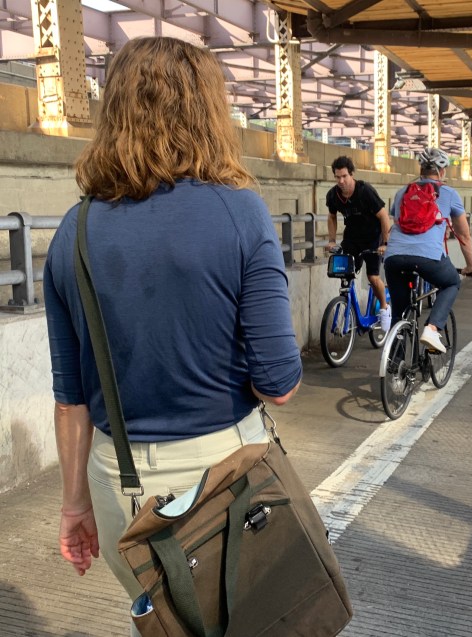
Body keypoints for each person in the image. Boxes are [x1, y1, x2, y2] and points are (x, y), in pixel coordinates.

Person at [43, 37, 302, 634]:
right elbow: (280, 385)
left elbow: (69, 399)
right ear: (209, 110)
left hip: (119, 488)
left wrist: (75, 503)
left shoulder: (73, 231)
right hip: (226, 478)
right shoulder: (241, 212)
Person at [383, 147, 472, 353]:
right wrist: (471, 266)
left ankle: (394, 365)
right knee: (451, 283)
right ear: (442, 171)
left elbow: (396, 221)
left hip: (394, 257)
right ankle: (433, 328)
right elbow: (464, 236)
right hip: (428, 258)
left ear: (421, 170)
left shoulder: (402, 193)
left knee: (399, 313)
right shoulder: (449, 193)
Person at [326, 156, 393, 332]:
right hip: (352, 238)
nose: (341, 181)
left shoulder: (365, 191)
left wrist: (385, 243)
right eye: (337, 177)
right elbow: (332, 216)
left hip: (373, 238)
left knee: (373, 277)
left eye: (344, 176)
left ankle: (384, 308)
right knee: (345, 274)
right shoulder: (333, 195)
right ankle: (348, 306)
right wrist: (332, 240)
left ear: (351, 174)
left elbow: (384, 216)